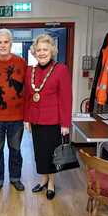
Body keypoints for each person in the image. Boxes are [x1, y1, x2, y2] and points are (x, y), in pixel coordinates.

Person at [24, 34, 72, 200]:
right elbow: (27, 97)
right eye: (39, 50)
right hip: (36, 120)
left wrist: (65, 124)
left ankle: (51, 183)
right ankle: (43, 180)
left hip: (54, 121)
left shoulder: (61, 69)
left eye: (45, 49)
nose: (42, 53)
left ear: (51, 51)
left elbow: (66, 98)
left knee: (52, 153)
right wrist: (26, 119)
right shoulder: (30, 70)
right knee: (40, 153)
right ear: (34, 52)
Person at [0, 29, 27, 196]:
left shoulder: (21, 63)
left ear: (11, 42)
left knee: (15, 150)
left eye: (6, 42)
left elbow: (26, 89)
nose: (3, 45)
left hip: (17, 117)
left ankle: (15, 178)